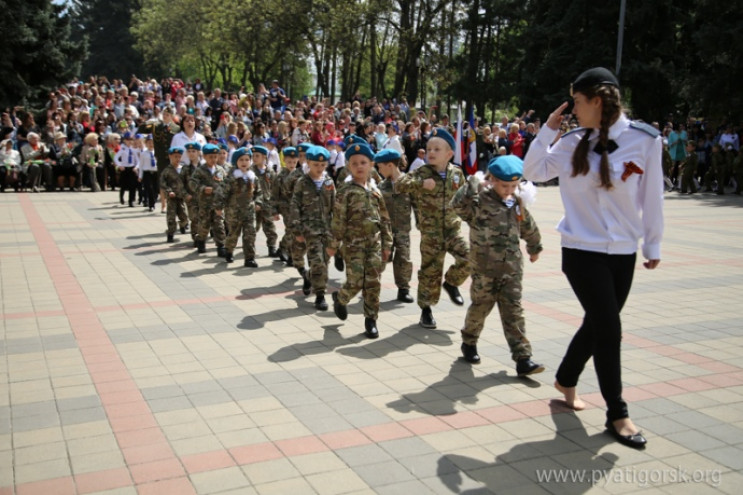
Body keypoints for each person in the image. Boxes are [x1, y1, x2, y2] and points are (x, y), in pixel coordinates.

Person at [523, 67, 663, 449]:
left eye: (578, 102)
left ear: (597, 101)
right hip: (581, 250)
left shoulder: (645, 141)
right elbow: (532, 171)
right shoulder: (569, 142)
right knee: (609, 329)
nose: (572, 109)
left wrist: (652, 244)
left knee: (600, 322)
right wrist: (548, 130)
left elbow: (652, 196)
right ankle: (617, 413)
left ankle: (566, 377)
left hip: (622, 252)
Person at [451, 155, 544, 375]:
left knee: (514, 311)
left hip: (511, 268)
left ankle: (523, 358)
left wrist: (535, 247)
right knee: (481, 307)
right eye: (504, 185)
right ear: (492, 179)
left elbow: (527, 225)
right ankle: (469, 341)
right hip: (484, 268)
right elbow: (457, 205)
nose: (509, 190)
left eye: (513, 185)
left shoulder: (516, 201)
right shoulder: (479, 200)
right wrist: (472, 184)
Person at [395, 128, 471, 329]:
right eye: (428, 148)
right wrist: (421, 184)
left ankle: (452, 283)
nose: (431, 152)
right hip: (431, 233)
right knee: (430, 272)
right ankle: (426, 310)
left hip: (453, 230)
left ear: (449, 154)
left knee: (470, 257)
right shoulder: (422, 171)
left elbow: (464, 198)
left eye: (437, 149)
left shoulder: (457, 173)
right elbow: (400, 185)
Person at [328, 143, 392, 338]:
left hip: (374, 244)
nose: (359, 166)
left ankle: (371, 320)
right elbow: (338, 220)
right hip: (353, 245)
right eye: (354, 163)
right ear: (348, 166)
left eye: (364, 162)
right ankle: (341, 298)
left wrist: (387, 245)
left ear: (371, 164)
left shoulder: (375, 190)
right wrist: (333, 245)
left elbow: (385, 220)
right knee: (355, 281)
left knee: (373, 282)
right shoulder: (345, 191)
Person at [290, 145, 336, 310]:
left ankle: (309, 277)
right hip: (310, 230)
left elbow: (334, 206)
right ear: (308, 162)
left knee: (325, 261)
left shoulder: (329, 182)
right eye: (316, 165)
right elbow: (295, 206)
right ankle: (320, 295)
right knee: (318, 262)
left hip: (327, 229)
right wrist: (297, 230)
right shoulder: (302, 182)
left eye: (322, 165)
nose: (319, 168)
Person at [375, 149, 414, 303]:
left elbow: (417, 206)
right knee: (380, 259)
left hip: (403, 230)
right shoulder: (381, 186)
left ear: (390, 165)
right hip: (385, 230)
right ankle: (371, 287)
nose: (379, 170)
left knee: (403, 258)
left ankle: (403, 289)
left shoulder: (408, 183)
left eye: (380, 167)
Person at [216, 147, 262, 267]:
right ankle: (229, 251)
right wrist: (219, 207)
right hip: (234, 212)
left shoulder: (253, 177)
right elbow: (222, 193)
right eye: (241, 159)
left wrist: (258, 202)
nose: (244, 162)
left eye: (247, 159)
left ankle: (249, 258)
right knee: (233, 234)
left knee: (250, 235)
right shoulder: (231, 178)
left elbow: (259, 193)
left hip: (249, 212)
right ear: (236, 161)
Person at [190, 143, 227, 255]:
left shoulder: (220, 170)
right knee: (204, 225)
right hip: (204, 203)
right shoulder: (200, 170)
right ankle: (200, 240)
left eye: (215, 156)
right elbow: (192, 183)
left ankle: (221, 246)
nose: (213, 159)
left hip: (217, 204)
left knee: (219, 225)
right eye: (210, 157)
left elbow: (226, 184)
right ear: (205, 157)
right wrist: (203, 188)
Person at [250, 146, 280, 257]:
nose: (255, 158)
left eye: (257, 156)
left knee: (270, 227)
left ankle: (272, 248)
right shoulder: (250, 171)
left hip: (267, 204)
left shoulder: (270, 171)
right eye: (253, 156)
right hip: (254, 204)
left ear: (264, 157)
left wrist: (275, 206)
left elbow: (275, 188)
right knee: (253, 227)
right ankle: (249, 248)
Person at [273, 146, 299, 265]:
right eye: (289, 162)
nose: (292, 164)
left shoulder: (300, 174)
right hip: (285, 206)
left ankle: (283, 248)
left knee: (294, 231)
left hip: (297, 207)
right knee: (291, 230)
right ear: (284, 161)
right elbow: (275, 195)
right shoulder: (280, 176)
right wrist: (274, 211)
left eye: (294, 162)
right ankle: (289, 254)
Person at [160, 146, 189, 242]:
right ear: (170, 156)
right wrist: (169, 191)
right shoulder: (167, 171)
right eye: (175, 156)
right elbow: (163, 183)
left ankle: (183, 225)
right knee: (171, 217)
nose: (177, 159)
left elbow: (188, 182)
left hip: (181, 196)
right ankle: (170, 233)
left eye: (179, 157)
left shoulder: (184, 169)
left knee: (184, 215)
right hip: (172, 197)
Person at [114, 132, 139, 206]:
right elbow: (116, 158)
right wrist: (119, 165)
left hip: (132, 168)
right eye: (128, 139)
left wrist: (136, 167)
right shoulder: (123, 148)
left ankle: (130, 201)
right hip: (124, 168)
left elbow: (138, 160)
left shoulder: (134, 149)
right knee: (123, 185)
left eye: (131, 139)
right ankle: (121, 197)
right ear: (124, 140)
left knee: (132, 185)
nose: (130, 141)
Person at [138, 135, 159, 209]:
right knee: (149, 188)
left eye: (152, 142)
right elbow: (141, 165)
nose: (151, 144)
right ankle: (151, 205)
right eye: (149, 142)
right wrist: (140, 176)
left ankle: (154, 200)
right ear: (146, 143)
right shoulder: (143, 153)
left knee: (155, 189)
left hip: (155, 172)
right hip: (147, 172)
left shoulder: (157, 152)